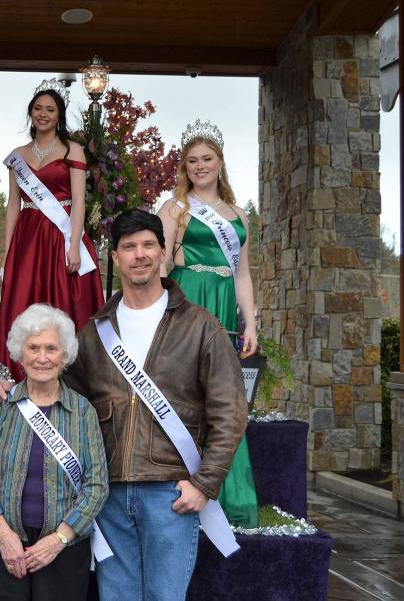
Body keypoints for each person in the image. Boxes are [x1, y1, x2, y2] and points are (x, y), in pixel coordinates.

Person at [0, 210, 247, 601]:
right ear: (116, 257)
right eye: (129, 247)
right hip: (108, 498)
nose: (139, 255)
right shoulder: (95, 331)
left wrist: (204, 484)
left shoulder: (200, 326)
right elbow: (57, 391)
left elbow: (230, 411)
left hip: (171, 495)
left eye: (148, 245)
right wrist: (8, 386)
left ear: (163, 253)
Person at [0, 304, 107, 601]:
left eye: (51, 348)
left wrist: (58, 539)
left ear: (64, 355)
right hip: (4, 547)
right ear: (20, 353)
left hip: (64, 551)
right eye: (33, 348)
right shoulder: (1, 406)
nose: (42, 357)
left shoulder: (83, 412)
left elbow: (97, 486)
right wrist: (5, 536)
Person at [158, 119, 259, 528]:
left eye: (207, 159)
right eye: (192, 160)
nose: (200, 166)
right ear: (185, 166)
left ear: (220, 163)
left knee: (225, 395)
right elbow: (160, 263)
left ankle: (229, 494)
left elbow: (244, 275)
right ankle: (177, 485)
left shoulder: (238, 215)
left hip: (223, 305)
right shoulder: (174, 208)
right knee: (183, 389)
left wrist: (249, 324)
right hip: (187, 298)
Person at [0, 79, 104, 381]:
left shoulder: (73, 150)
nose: (43, 114)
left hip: (62, 234)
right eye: (38, 108)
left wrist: (74, 244)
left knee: (66, 303)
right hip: (27, 240)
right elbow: (12, 205)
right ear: (31, 113)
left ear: (59, 115)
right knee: (22, 302)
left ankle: (71, 379)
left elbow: (79, 201)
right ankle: (15, 375)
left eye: (50, 109)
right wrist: (7, 256)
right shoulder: (17, 155)